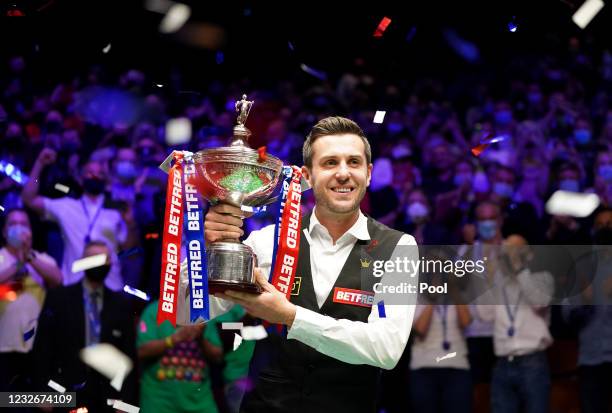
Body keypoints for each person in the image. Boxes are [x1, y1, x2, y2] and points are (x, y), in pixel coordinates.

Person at [203, 116, 418, 412]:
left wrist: (292, 316)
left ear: (368, 174)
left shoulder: (399, 248)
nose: (344, 173)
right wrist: (207, 250)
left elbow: (386, 349)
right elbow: (189, 313)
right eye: (330, 163)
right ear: (307, 175)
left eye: (353, 162)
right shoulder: (268, 242)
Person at [32, 241, 137, 411]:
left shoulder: (121, 305)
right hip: (64, 392)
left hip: (107, 397)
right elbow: (42, 349)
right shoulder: (59, 298)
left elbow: (129, 355)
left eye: (104, 259)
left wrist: (127, 404)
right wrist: (41, 394)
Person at [22, 148, 139, 291]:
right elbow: (29, 199)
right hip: (74, 285)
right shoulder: (66, 206)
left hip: (110, 285)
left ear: (105, 179)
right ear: (81, 179)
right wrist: (39, 164)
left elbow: (130, 249)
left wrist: (131, 224)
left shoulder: (116, 210)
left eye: (100, 174)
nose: (95, 176)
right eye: (90, 173)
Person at [476, 234, 554, 413]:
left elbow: (539, 302)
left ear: (529, 254)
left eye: (516, 250)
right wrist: (487, 279)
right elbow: (483, 314)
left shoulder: (542, 278)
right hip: (503, 364)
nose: (511, 254)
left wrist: (518, 267)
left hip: (533, 362)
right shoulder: (500, 285)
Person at [0, 208, 62, 392]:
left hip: (37, 348)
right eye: (13, 224)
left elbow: (58, 280)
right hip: (4, 347)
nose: (18, 228)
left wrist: (29, 258)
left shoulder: (42, 259)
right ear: (4, 232)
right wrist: (19, 264)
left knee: (35, 403)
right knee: (7, 403)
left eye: (24, 224)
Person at [137, 300, 221, 413]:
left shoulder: (203, 313)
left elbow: (217, 356)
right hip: (159, 404)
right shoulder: (153, 311)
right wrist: (173, 339)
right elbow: (142, 352)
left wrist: (200, 338)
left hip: (200, 403)